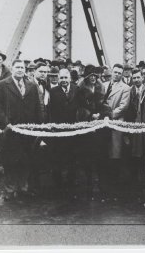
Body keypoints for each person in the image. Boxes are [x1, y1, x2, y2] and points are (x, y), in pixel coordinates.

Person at [0, 59, 43, 201]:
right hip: (10, 131)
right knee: (10, 160)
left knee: (26, 160)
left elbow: (38, 106)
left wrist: (38, 127)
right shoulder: (1, 85)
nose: (20, 70)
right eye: (17, 67)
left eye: (22, 67)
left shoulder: (31, 86)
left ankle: (23, 187)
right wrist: (5, 124)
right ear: (12, 69)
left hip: (27, 131)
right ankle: (10, 189)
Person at [78, 64, 112, 199]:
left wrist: (102, 115)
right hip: (86, 128)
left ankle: (102, 187)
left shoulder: (101, 88)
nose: (93, 78)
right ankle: (89, 187)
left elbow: (105, 105)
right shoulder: (80, 90)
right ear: (86, 77)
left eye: (95, 76)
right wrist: (88, 115)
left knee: (101, 157)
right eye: (90, 76)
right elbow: (79, 107)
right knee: (88, 158)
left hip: (100, 128)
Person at [47, 68, 81, 193]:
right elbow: (50, 110)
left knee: (73, 154)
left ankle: (72, 179)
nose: (63, 80)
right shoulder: (53, 91)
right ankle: (58, 182)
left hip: (73, 128)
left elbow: (81, 106)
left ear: (70, 79)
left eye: (66, 78)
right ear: (58, 79)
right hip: (59, 128)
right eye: (61, 78)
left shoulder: (76, 89)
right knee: (58, 155)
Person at [103, 64, 131, 183]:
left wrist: (109, 115)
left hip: (116, 121)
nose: (117, 74)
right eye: (115, 72)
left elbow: (123, 107)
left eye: (120, 73)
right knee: (104, 148)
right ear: (112, 72)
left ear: (122, 74)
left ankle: (114, 178)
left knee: (115, 150)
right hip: (103, 121)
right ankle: (105, 176)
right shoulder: (104, 85)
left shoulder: (125, 88)